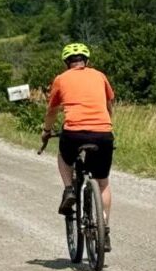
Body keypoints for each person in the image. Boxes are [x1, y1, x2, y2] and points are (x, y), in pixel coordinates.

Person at [41, 42, 116, 252]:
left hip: (73, 133)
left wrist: (46, 131)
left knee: (63, 157)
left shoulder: (61, 79)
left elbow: (52, 111)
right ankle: (104, 229)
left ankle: (68, 190)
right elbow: (109, 105)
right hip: (103, 133)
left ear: (67, 63)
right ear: (87, 61)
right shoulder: (100, 76)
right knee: (102, 183)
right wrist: (106, 127)